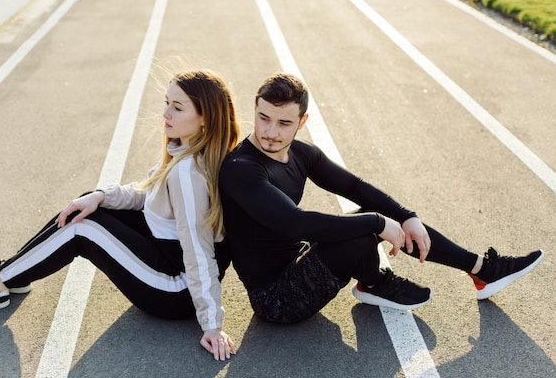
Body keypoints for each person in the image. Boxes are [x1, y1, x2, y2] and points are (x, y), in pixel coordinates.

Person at [0, 69, 240, 360]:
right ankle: (14, 272)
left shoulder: (188, 174)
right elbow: (146, 194)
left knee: (81, 227)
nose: (166, 113)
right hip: (167, 257)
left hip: (175, 289)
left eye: (177, 108)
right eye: (166, 103)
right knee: (88, 204)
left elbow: (198, 251)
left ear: (205, 119)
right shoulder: (188, 152)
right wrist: (101, 195)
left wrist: (212, 325)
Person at [218, 72, 544, 324]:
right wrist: (378, 222)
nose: (270, 132)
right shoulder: (241, 168)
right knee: (363, 226)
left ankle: (481, 270)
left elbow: (355, 186)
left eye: (283, 123)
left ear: (302, 122)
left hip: (299, 260)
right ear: (255, 109)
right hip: (276, 298)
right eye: (264, 118)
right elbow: (295, 224)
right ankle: (374, 283)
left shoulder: (302, 154)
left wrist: (406, 215)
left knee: (373, 213)